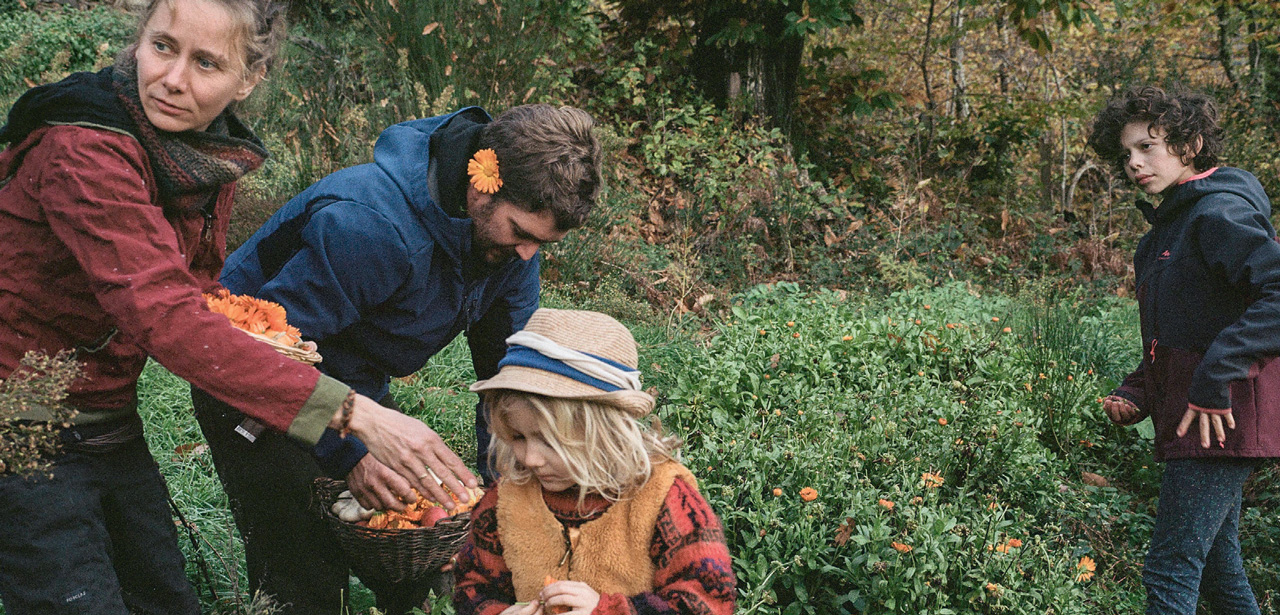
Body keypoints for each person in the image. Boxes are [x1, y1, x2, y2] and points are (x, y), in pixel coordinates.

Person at [0, 0, 477, 613]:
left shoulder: (205, 158)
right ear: (140, 38)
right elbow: (162, 313)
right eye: (162, 46)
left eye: (206, 62)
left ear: (248, 79)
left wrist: (262, 339)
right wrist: (353, 411)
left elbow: (193, 289)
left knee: (164, 596)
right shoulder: (83, 148)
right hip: (21, 415)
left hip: (102, 415)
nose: (172, 78)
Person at [190, 103, 602, 614]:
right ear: (482, 188)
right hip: (248, 374)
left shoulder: (510, 250)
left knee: (415, 530)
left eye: (542, 243)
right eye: (521, 233)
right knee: (306, 571)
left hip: (351, 371)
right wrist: (350, 455)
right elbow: (270, 361)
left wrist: (501, 502)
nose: (527, 255)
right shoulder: (371, 227)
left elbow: (509, 381)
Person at [1089, 85, 1280, 615]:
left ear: (1190, 144)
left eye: (1148, 146)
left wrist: (1215, 379)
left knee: (1171, 568)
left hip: (1221, 419)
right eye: (1125, 152)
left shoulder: (1218, 213)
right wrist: (1137, 390)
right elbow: (1183, 332)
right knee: (1220, 572)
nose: (1134, 162)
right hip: (1198, 420)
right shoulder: (1162, 235)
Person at [453, 308, 736, 615]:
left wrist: (609, 610)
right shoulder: (507, 499)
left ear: (606, 432)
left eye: (550, 441)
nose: (531, 459)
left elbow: (709, 601)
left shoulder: (663, 498)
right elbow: (472, 586)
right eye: (519, 437)